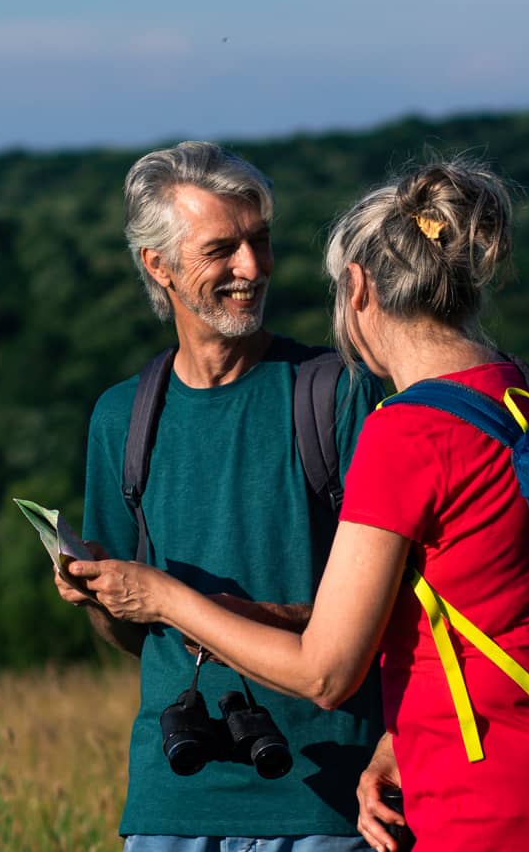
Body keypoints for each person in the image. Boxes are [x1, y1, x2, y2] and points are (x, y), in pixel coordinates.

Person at [72, 156, 529, 852]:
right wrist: (399, 736)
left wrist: (161, 598)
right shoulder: (528, 395)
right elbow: (495, 607)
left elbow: (326, 673)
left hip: (492, 802)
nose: (254, 266)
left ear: (360, 288)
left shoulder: (405, 431)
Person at [53, 141, 387, 851]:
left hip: (329, 803)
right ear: (158, 265)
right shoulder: (122, 417)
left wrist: (196, 607)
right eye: (222, 249)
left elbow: (391, 615)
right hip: (172, 801)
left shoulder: (337, 394)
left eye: (260, 241)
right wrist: (101, 599)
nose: (253, 268)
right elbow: (136, 639)